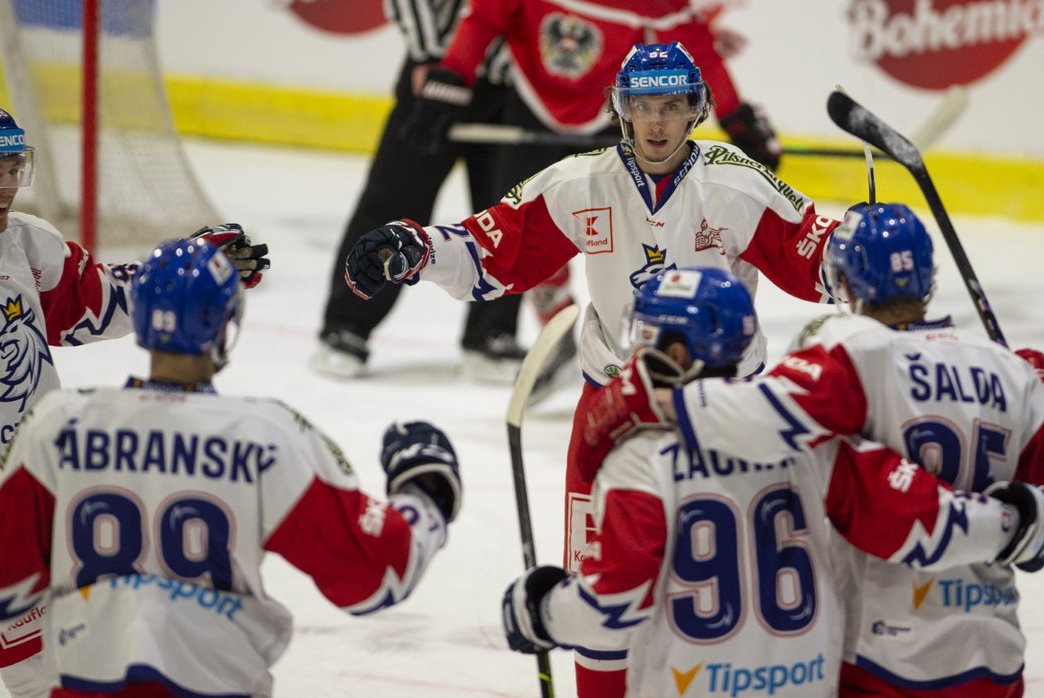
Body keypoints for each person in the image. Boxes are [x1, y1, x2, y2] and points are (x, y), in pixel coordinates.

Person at [344, 41, 841, 689]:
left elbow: (819, 258)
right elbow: (489, 250)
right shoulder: (580, 181)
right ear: (620, 109)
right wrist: (416, 247)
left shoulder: (737, 182)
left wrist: (870, 249)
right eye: (642, 107)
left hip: (730, 418)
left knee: (736, 594)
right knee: (598, 596)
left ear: (696, 111)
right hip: (612, 413)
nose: (656, 123)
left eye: (671, 106)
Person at [499, 266, 1044, 697]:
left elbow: (612, 608)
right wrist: (1015, 520)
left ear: (679, 353)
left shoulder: (640, 462)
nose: (636, 349)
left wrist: (541, 610)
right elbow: (921, 515)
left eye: (646, 335)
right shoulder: (818, 445)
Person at [0, 238, 463, 697]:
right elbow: (376, 575)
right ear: (225, 327)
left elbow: (2, 586)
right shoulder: (264, 437)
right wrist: (424, 492)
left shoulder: (56, 427)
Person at [0, 105, 270, 698]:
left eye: (12, 166)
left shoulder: (29, 246)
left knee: (48, 674)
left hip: (26, 497)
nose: (5, 186)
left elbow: (100, 300)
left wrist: (188, 270)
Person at [402, 0, 783, 393]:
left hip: (615, 114)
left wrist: (735, 114)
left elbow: (689, 42)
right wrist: (451, 77)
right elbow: (486, 14)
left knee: (629, 233)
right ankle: (535, 326)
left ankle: (639, 343)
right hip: (536, 99)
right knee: (525, 226)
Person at [761, 202, 1044, 696]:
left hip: (884, 653)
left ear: (845, 282)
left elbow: (759, 422)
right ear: (928, 280)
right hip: (994, 652)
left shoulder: (852, 351)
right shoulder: (1011, 371)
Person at [311, 0, 529, 383]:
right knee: (393, 202)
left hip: (517, 87)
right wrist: (429, 53)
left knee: (510, 213)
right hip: (440, 74)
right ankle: (348, 324)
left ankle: (490, 332)